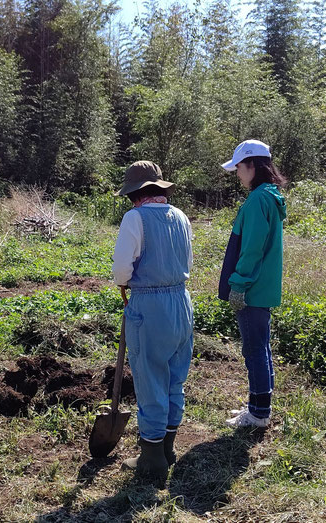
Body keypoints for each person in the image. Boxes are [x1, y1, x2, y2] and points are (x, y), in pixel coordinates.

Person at [111, 161, 194, 484]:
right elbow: (187, 261)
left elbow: (122, 267)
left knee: (150, 379)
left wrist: (125, 283)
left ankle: (151, 459)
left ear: (136, 194)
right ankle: (167, 449)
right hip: (181, 303)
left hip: (149, 305)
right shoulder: (181, 217)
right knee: (174, 377)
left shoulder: (136, 218)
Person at [218, 140, 287, 428]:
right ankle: (260, 406)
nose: (236, 173)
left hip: (253, 289)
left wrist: (239, 284)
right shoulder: (269, 196)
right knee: (261, 347)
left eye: (238, 167)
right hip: (263, 287)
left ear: (253, 166)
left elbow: (253, 248)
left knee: (254, 349)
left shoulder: (259, 199)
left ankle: (258, 414)